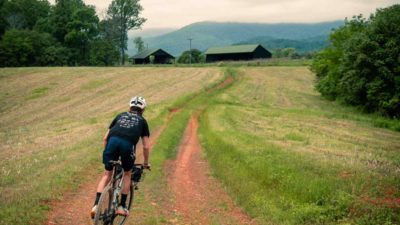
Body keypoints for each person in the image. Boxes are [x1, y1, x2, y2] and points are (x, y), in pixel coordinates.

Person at [91, 96, 150, 218]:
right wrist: (145, 163)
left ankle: (96, 205)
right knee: (127, 173)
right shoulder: (142, 121)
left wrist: (107, 152)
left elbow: (105, 138)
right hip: (127, 145)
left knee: (107, 174)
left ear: (129, 107)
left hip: (112, 144)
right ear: (143, 110)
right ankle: (121, 206)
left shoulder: (120, 115)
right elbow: (146, 146)